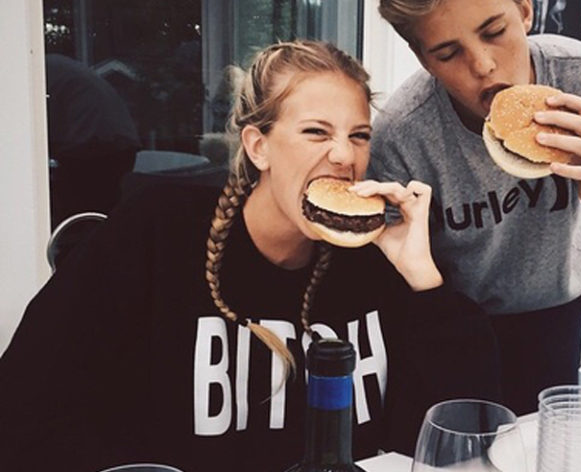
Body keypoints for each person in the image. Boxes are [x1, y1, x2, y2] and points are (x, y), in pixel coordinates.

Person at [0, 41, 501, 471]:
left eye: (359, 136)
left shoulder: (376, 258)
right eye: (316, 132)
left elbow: (462, 433)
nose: (345, 157)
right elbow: (29, 401)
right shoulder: (158, 232)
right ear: (258, 147)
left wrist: (422, 276)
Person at [368, 0, 581, 415]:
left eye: (495, 32)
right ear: (422, 58)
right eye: (448, 53)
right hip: (448, 325)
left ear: (526, 11)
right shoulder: (403, 133)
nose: (482, 65)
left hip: (555, 317)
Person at [46, 53, 141, 228]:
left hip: (94, 144)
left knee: (78, 217)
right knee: (100, 214)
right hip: (116, 142)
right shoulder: (52, 67)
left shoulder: (32, 73)